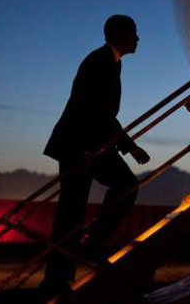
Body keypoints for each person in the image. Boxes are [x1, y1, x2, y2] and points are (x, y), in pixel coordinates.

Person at [41, 15, 150, 295]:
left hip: (88, 146)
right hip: (82, 147)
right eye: (133, 33)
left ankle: (59, 276)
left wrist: (128, 146)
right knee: (81, 207)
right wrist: (125, 147)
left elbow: (101, 113)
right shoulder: (100, 62)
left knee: (72, 212)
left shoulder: (110, 62)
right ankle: (89, 247)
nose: (138, 39)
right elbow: (94, 111)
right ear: (119, 35)